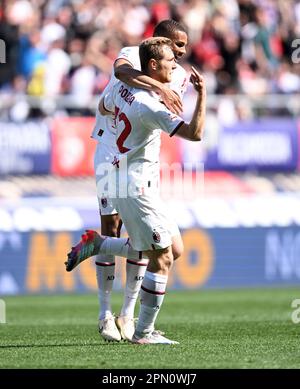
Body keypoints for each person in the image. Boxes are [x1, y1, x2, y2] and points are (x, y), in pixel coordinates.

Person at [66, 36, 206, 344]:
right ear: (155, 59)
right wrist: (201, 94)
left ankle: (102, 248)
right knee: (159, 253)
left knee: (172, 248)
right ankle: (135, 328)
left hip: (132, 173)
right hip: (128, 177)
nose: (179, 58)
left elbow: (105, 103)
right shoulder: (144, 96)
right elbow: (195, 134)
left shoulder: (129, 87)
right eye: (174, 53)